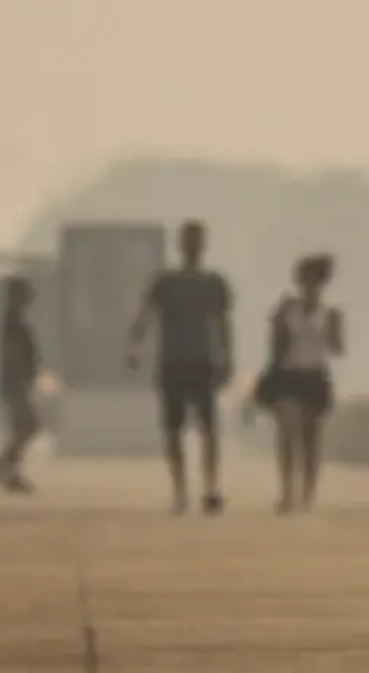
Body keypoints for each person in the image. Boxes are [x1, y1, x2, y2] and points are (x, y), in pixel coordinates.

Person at [128, 220, 234, 515]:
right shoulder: (165, 282)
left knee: (208, 429)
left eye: (196, 241)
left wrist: (227, 358)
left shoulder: (214, 283)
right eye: (188, 240)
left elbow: (223, 324)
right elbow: (145, 314)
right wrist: (135, 345)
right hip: (173, 361)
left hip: (203, 361)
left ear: (203, 245)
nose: (192, 246)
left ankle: (211, 487)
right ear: (181, 244)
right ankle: (180, 490)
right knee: (173, 431)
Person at [254, 254, 343, 514]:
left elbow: (337, 348)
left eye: (312, 280)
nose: (307, 285)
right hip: (289, 375)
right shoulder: (286, 309)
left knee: (311, 438)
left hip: (315, 376)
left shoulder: (330, 313)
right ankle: (287, 491)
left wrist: (333, 330)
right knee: (287, 432)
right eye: (303, 280)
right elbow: (275, 344)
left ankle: (308, 492)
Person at [0, 276, 43, 494]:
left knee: (23, 427)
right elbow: (12, 355)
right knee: (27, 425)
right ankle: (5, 467)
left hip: (16, 383)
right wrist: (19, 380)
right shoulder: (13, 324)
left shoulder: (14, 323)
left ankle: (7, 468)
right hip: (14, 383)